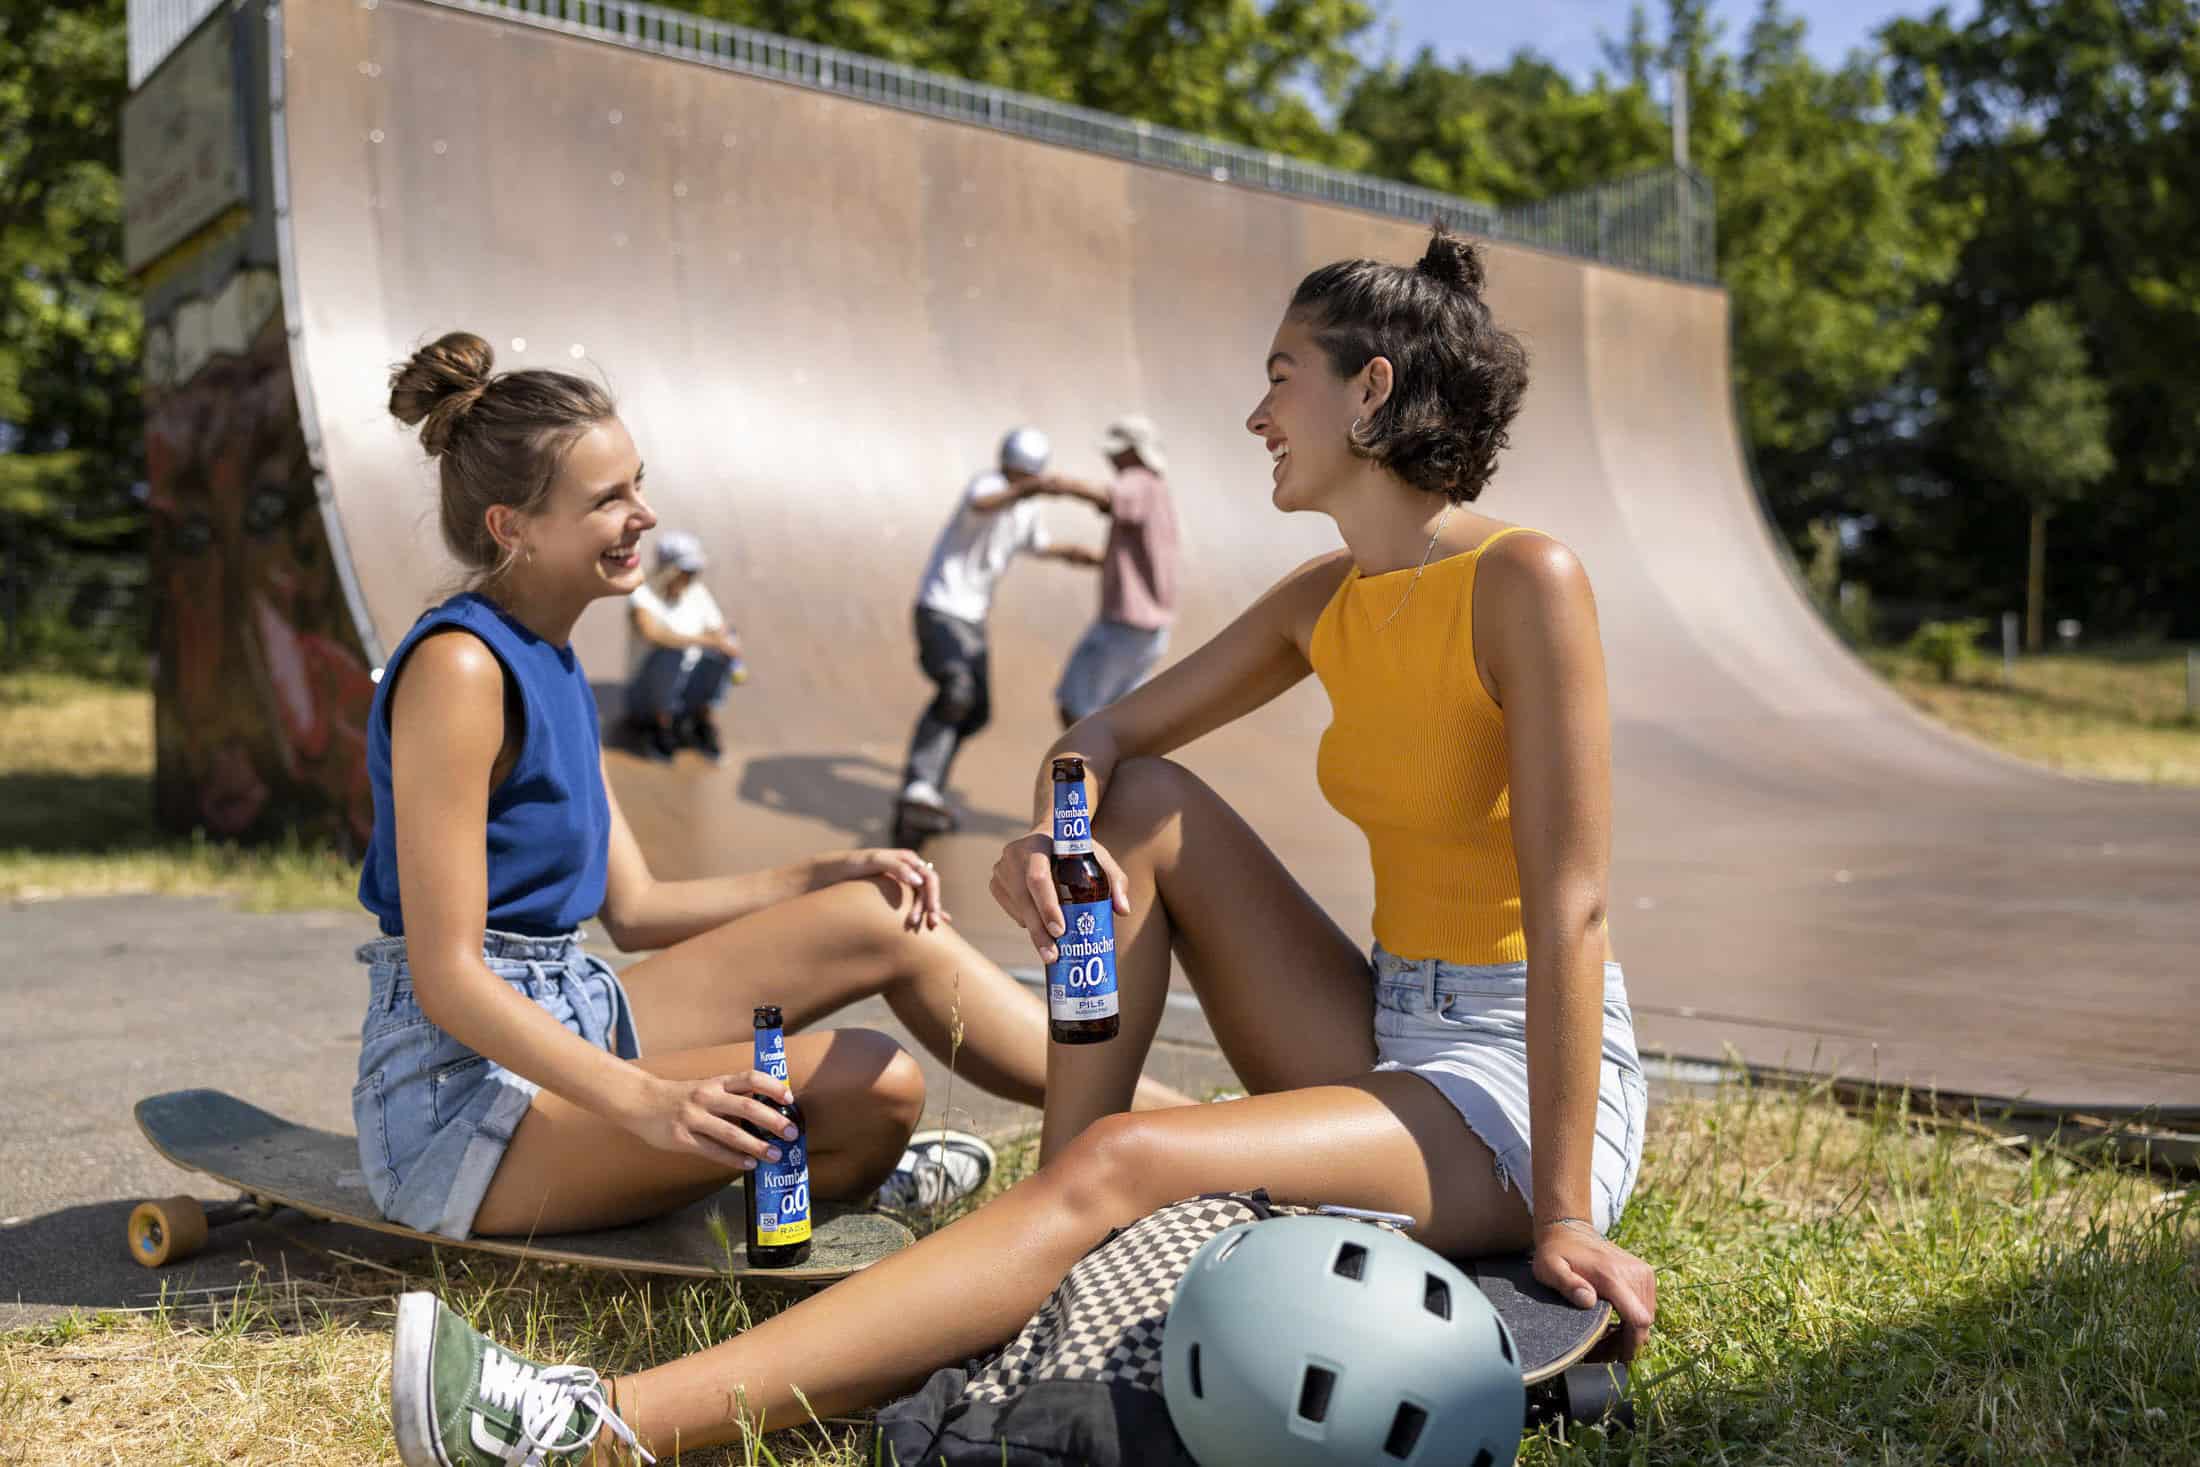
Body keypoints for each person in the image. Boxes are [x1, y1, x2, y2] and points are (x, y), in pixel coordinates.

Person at [385, 231, 1656, 1466]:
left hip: (1515, 1076)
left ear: (1369, 391)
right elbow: (1101, 739)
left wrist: (1561, 1211)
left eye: (1281, 378)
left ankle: (604, 1427)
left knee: (1132, 1159)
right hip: (1386, 1025)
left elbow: (1574, 914)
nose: (1256, 414)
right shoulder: (1328, 599)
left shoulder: (1524, 580)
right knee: (1140, 803)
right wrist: (1056, 839)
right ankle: (1060, 1208)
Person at [355, 332, 1187, 1283]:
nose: (645, 514)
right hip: (460, 1103)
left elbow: (637, 908)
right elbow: (449, 978)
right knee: (878, 1086)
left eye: (639, 483)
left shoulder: (553, 654)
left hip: (574, 1011)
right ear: (514, 527)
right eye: (608, 499)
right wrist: (644, 1101)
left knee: (884, 914)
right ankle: (777, 1171)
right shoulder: (461, 669)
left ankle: (1181, 1131)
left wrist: (829, 872)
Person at [893, 427, 1101, 847]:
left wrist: (1085, 556)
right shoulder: (988, 485)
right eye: (1017, 475)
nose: (1019, 481)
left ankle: (927, 790)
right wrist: (1028, 489)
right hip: (939, 608)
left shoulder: (1026, 508)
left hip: (972, 621)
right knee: (957, 691)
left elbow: (1039, 545)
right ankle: (919, 783)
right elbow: (983, 503)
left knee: (976, 712)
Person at [1036, 414, 1181, 727]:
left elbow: (1109, 497)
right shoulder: (1158, 492)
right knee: (1116, 720)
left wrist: (1063, 486)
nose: (1110, 458)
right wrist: (1101, 560)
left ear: (1134, 451)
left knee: (1076, 709)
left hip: (1127, 623)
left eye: (1116, 451)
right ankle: (1106, 762)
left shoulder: (1140, 479)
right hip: (1151, 630)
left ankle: (1079, 763)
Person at [624, 529, 742, 762]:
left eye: (694, 571)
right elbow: (652, 634)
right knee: (672, 652)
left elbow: (719, 630)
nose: (692, 576)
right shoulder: (642, 595)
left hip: (685, 691)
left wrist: (728, 642)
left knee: (722, 651)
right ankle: (661, 726)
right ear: (669, 570)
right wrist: (705, 640)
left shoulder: (696, 592)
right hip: (646, 696)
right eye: (687, 571)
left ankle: (703, 721)